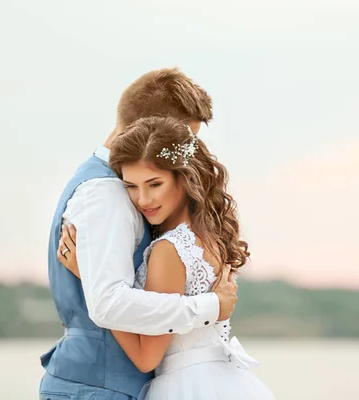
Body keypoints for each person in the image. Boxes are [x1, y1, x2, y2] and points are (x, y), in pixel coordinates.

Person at [39, 68, 239, 400]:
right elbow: (108, 303)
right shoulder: (107, 194)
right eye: (182, 140)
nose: (190, 153)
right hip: (97, 387)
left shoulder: (115, 188)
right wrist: (211, 306)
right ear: (146, 131)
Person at [58, 116, 275, 399]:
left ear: (183, 178)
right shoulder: (211, 236)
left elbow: (146, 358)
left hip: (188, 385)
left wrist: (89, 278)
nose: (143, 199)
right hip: (226, 380)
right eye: (131, 187)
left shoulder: (169, 250)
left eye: (154, 184)